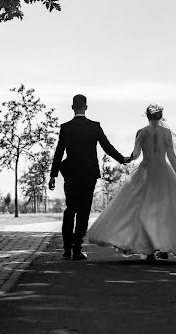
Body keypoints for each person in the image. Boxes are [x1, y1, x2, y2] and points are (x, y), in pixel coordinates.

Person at [86, 103, 176, 261]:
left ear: (147, 116)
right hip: (163, 172)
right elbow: (172, 156)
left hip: (146, 172)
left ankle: (148, 249)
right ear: (160, 116)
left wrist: (127, 159)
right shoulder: (167, 132)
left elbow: (136, 154)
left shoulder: (141, 132)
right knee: (165, 210)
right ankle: (163, 247)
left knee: (142, 210)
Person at [48, 94, 127, 260]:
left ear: (72, 107)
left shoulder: (66, 127)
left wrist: (53, 175)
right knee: (84, 210)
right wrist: (123, 159)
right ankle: (77, 248)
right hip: (88, 174)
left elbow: (59, 152)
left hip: (70, 174)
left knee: (70, 209)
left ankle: (66, 248)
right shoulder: (94, 126)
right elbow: (107, 147)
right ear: (86, 107)